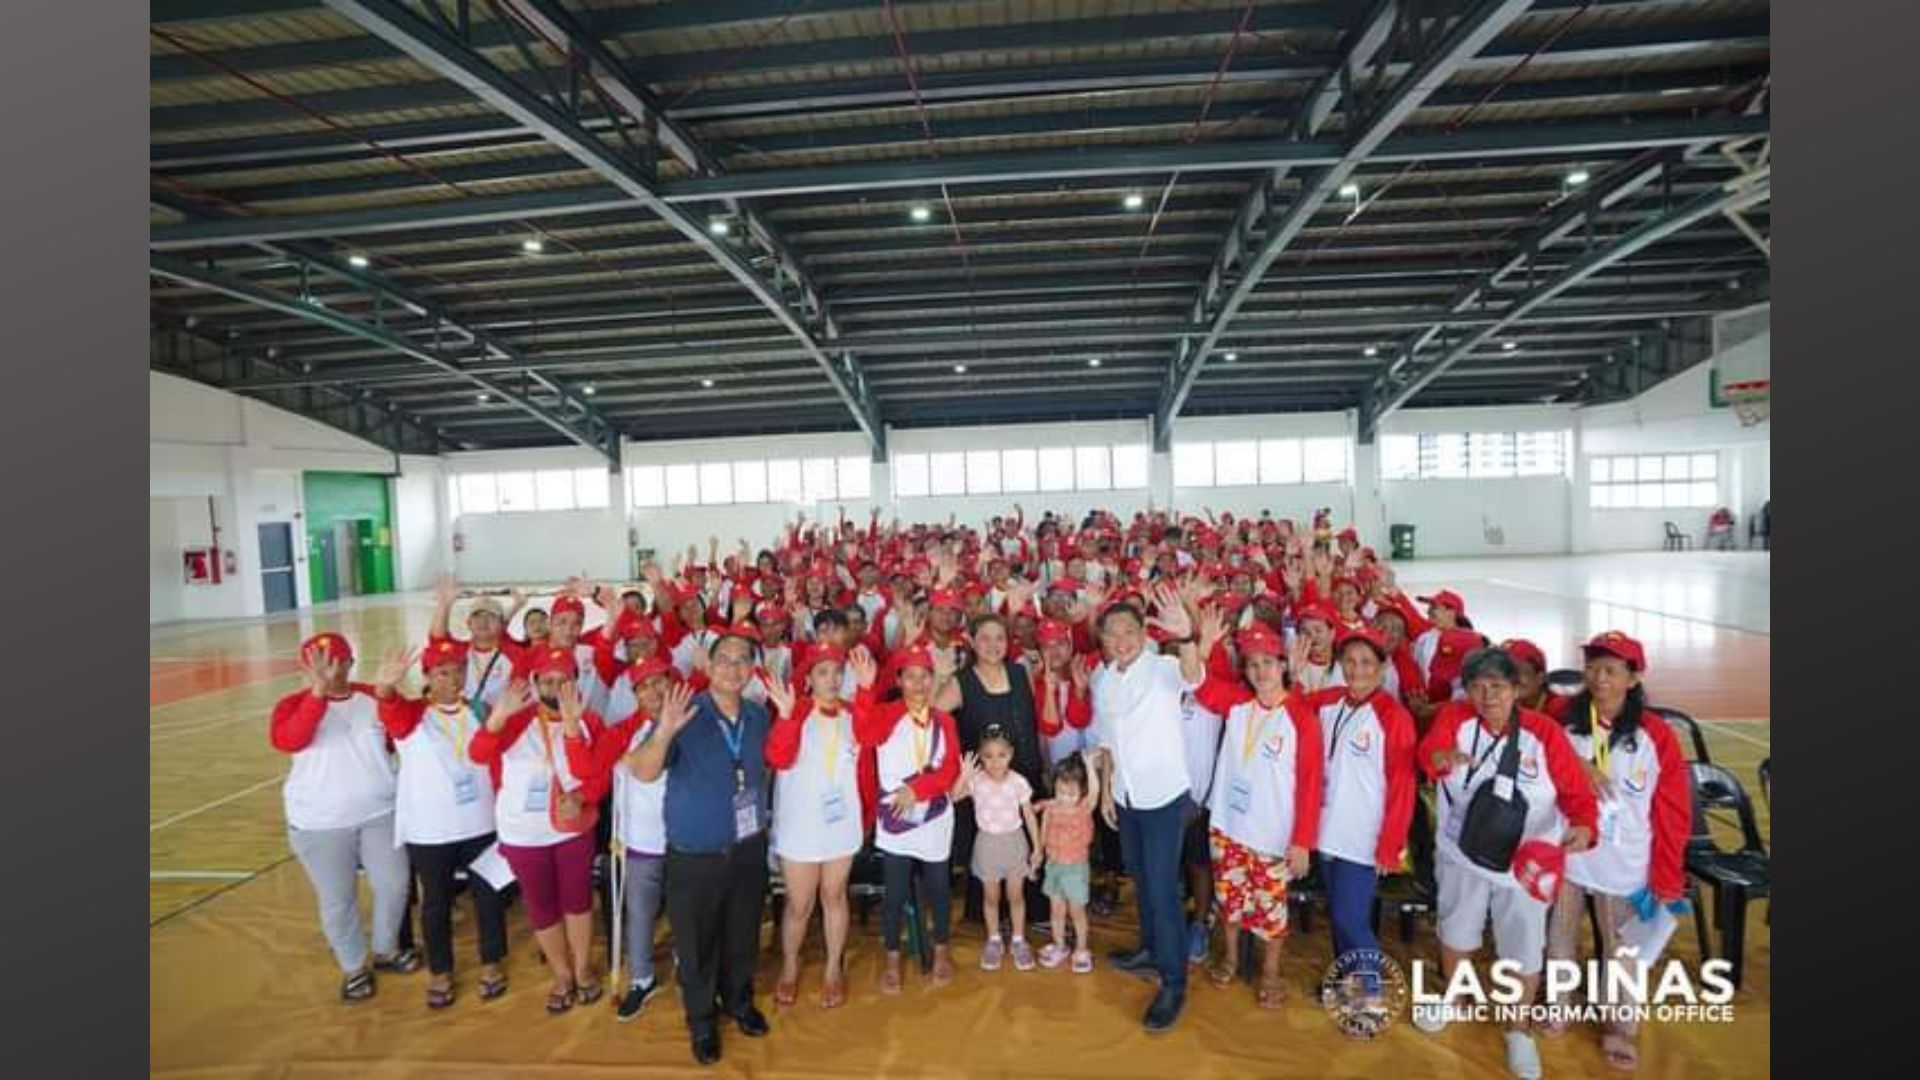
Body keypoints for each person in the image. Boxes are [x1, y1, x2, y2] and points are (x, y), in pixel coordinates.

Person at [1414, 647, 1599, 1080]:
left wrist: (1585, 826)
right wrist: (1439, 759)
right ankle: (1456, 999)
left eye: (1497, 687)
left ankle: (1518, 1030)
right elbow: (1429, 753)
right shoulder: (1456, 720)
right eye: (1477, 687)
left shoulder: (1544, 733)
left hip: (1524, 864)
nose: (1487, 696)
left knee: (1522, 943)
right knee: (1457, 930)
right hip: (1462, 853)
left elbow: (1576, 794)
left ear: (1518, 689)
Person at [1543, 632, 1691, 1070]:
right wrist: (1577, 764)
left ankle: (1619, 1026)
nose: (1598, 678)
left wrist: (1667, 877)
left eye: (1610, 670)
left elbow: (1671, 813)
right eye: (1592, 668)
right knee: (1559, 940)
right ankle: (1559, 1005)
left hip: (1623, 865)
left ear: (1632, 678)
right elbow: (1538, 755)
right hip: (1570, 855)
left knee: (1621, 950)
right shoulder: (1563, 720)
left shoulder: (1655, 736)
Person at [628, 632, 774, 1066]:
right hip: (694, 853)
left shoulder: (757, 714)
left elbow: (760, 768)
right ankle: (702, 1022)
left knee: (742, 935)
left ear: (752, 669)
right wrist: (664, 732)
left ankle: (739, 1003)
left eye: (742, 660)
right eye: (724, 660)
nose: (733, 668)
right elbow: (644, 771)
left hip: (746, 848)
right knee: (696, 944)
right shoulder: (684, 713)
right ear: (709, 666)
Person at [1087, 585, 1209, 1033]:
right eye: (1111, 632)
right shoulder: (1102, 679)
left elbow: (1195, 678)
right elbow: (1105, 743)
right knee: (1140, 878)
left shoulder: (1164, 667)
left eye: (1128, 630)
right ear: (1102, 639)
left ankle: (1174, 981)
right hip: (1125, 796)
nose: (1120, 639)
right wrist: (1104, 791)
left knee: (1161, 889)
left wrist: (1187, 638)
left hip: (1163, 798)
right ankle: (1149, 950)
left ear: (1143, 633)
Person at [270, 632, 417, 1002]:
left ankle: (385, 949)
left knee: (395, 883)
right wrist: (317, 695)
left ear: (351, 661)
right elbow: (290, 740)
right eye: (320, 664)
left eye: (338, 661)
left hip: (380, 812)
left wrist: (391, 694)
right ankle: (353, 966)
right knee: (338, 899)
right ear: (305, 668)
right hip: (319, 822)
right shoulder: (292, 704)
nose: (331, 671)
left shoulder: (372, 696)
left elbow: (400, 733)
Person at [468, 649, 609, 1015]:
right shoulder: (515, 722)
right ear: (534, 683)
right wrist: (496, 719)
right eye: (547, 681)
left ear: (576, 683)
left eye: (564, 681)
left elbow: (602, 773)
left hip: (572, 830)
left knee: (578, 900)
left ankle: (581, 967)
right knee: (541, 903)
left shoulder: (590, 721)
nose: (555, 688)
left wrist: (583, 797)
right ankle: (561, 974)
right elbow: (479, 755)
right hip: (524, 832)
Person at [1192, 625, 1324, 1010]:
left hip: (1272, 833)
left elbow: (1311, 784)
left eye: (1268, 662)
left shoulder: (1301, 716)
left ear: (1284, 665)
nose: (1261, 671)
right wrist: (1201, 643)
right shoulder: (1237, 703)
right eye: (1252, 664)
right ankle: (1232, 957)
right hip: (1228, 827)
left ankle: (1269, 971)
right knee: (1229, 900)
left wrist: (1302, 841)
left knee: (1270, 908)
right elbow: (1199, 684)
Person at [372, 639, 509, 1008]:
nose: (452, 679)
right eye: (443, 672)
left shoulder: (482, 709)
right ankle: (441, 970)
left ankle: (492, 961)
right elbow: (389, 707)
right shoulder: (412, 715)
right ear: (428, 676)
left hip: (481, 822)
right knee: (435, 902)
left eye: (459, 671)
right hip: (430, 830)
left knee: (488, 896)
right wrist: (384, 686)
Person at [1309, 627, 1417, 1009]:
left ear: (1382, 667)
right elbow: (1288, 706)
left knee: (1349, 917)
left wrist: (1390, 844)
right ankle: (1345, 978)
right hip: (1325, 831)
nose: (1357, 670)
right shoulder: (1330, 701)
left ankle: (1370, 995)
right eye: (1350, 661)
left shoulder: (1393, 716)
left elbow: (1403, 786)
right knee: (1338, 916)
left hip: (1363, 837)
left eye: (1367, 662)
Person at [566, 656, 678, 1023]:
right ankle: (642, 978)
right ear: (634, 693)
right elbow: (588, 771)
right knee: (640, 915)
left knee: (685, 912)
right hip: (640, 843)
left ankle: (688, 965)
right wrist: (571, 730)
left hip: (684, 841)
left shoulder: (690, 723)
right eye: (643, 686)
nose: (653, 691)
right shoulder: (620, 733)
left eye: (659, 682)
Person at [849, 645, 963, 996]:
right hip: (895, 817)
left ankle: (941, 950)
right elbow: (865, 733)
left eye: (924, 676)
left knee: (939, 888)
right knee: (895, 891)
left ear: (933, 680)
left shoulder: (944, 720)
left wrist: (918, 790)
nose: (917, 683)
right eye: (909, 676)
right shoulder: (886, 714)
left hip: (933, 815)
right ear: (898, 680)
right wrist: (866, 689)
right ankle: (893, 958)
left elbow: (950, 769)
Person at [763, 647, 863, 1010]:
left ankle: (833, 969)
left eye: (838, 671)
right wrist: (787, 717)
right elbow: (777, 757)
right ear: (808, 679)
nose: (833, 679)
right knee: (799, 904)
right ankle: (790, 965)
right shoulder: (796, 710)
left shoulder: (854, 714)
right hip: (800, 824)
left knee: (835, 897)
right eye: (823, 672)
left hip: (841, 823)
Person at [932, 612, 1048, 925]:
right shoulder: (962, 681)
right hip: (984, 786)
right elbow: (929, 718)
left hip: (1025, 777)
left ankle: (1032, 913)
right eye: (984, 638)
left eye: (999, 637)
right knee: (989, 852)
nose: (993, 645)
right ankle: (991, 918)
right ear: (971, 641)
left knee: (1027, 846)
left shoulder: (1019, 673)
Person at [952, 727, 1045, 972]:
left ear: (1011, 754)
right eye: (989, 756)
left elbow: (1029, 816)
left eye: (1001, 755)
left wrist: (1037, 847)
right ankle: (994, 939)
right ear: (981, 757)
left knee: (1016, 896)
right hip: (987, 845)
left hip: (1014, 843)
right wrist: (964, 775)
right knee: (991, 898)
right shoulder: (976, 781)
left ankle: (1018, 939)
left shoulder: (1018, 782)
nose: (995, 762)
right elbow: (952, 797)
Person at [1034, 752, 1101, 973]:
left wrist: (1090, 766)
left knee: (1077, 911)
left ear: (1081, 792)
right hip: (1053, 867)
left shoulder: (1083, 808)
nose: (1065, 797)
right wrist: (1038, 856)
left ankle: (1082, 949)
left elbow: (1094, 793)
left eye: (1071, 793)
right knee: (1056, 910)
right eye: (1061, 791)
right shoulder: (1051, 808)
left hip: (1075, 868)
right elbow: (1043, 832)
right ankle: (1059, 944)